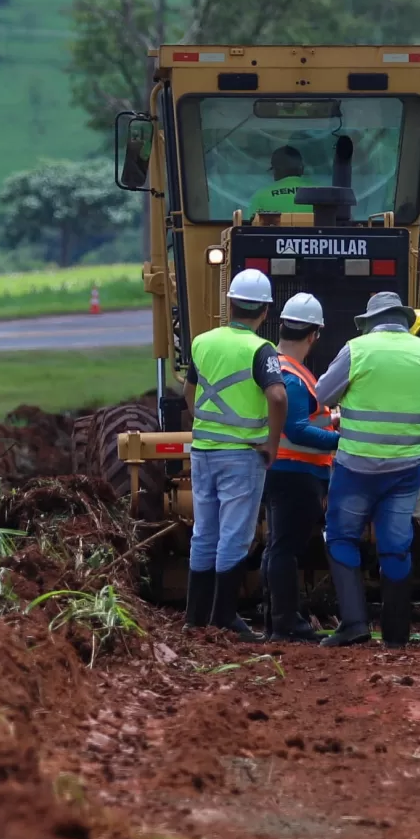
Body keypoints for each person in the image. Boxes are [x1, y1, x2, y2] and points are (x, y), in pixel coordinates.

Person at [310, 290, 420, 646]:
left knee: (341, 537)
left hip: (357, 467)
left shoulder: (357, 349)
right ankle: (397, 635)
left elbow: (320, 396)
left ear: (369, 323)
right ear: (403, 319)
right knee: (396, 545)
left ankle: (354, 624)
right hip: (406, 467)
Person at [184, 267, 287, 639]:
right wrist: (271, 444)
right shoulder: (262, 349)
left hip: (203, 450)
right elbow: (277, 395)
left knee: (204, 531)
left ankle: (195, 617)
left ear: (229, 304)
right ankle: (225, 615)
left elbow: (190, 392)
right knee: (235, 534)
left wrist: (209, 424)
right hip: (242, 455)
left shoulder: (202, 342)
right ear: (265, 311)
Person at [263, 292, 337, 640]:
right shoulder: (292, 374)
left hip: (286, 471)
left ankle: (276, 620)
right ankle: (287, 624)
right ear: (314, 335)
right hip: (297, 473)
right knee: (284, 549)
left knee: (277, 546)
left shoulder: (280, 367)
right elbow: (296, 429)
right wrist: (343, 440)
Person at [252, 146, 310, 214]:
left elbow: (250, 223)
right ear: (302, 169)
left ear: (275, 170)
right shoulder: (319, 193)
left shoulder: (260, 196)